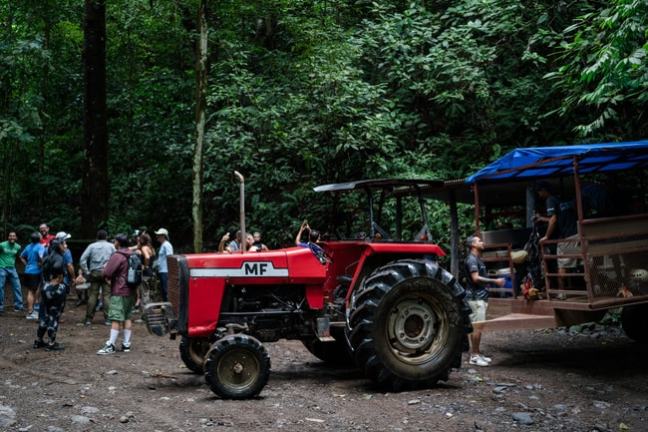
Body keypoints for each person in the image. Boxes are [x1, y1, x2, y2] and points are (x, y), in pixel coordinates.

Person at [464, 235, 505, 367]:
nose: (482, 242)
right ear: (473, 245)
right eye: (479, 241)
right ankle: (474, 356)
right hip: (475, 298)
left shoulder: (476, 259)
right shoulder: (471, 260)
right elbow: (475, 278)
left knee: (479, 327)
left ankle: (477, 352)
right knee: (477, 327)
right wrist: (495, 280)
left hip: (479, 296)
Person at [534, 182, 579, 292]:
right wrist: (542, 218)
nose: (539, 195)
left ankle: (561, 293)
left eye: (539, 192)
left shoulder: (550, 200)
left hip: (566, 237)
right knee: (583, 263)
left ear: (544, 190)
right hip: (578, 233)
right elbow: (557, 218)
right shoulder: (562, 199)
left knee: (562, 265)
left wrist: (546, 236)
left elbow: (553, 220)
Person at [97, 234, 137, 355]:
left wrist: (104, 273)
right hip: (131, 290)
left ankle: (111, 345)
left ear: (118, 242)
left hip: (119, 290)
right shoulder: (132, 254)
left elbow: (107, 272)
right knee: (127, 316)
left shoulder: (118, 255)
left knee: (115, 317)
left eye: (115, 241)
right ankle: (126, 344)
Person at [33, 239, 67, 351]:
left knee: (44, 315)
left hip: (45, 288)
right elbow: (57, 267)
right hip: (55, 289)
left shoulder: (47, 258)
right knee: (54, 315)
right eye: (64, 244)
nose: (66, 246)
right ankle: (51, 343)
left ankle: (38, 340)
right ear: (59, 246)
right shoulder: (59, 258)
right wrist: (58, 278)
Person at [79, 229, 115, 325]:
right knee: (107, 296)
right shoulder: (111, 246)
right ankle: (108, 319)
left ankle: (88, 319)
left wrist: (86, 271)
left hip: (94, 273)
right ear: (106, 237)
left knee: (93, 295)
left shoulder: (92, 246)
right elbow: (115, 259)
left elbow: (82, 259)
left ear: (97, 237)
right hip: (107, 273)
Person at [20, 232, 46, 320]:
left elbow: (21, 256)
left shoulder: (28, 246)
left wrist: (27, 264)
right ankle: (31, 312)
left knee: (32, 291)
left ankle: (33, 310)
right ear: (39, 238)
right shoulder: (40, 246)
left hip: (28, 271)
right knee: (33, 291)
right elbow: (41, 256)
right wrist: (42, 263)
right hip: (36, 272)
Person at [0, 231, 24, 314]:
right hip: (2, 268)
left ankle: (19, 306)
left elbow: (19, 257)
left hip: (12, 268)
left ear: (16, 238)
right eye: (10, 236)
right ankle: (0, 307)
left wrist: (26, 264)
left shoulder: (18, 247)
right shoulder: (2, 245)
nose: (12, 237)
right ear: (8, 237)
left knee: (17, 286)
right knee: (0, 287)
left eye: (14, 236)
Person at [54, 231, 77, 300]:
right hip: (62, 275)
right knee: (61, 292)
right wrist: (73, 277)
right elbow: (69, 265)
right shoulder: (66, 251)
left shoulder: (50, 249)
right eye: (65, 239)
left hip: (52, 275)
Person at [155, 228, 173, 302]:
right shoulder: (163, 245)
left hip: (166, 270)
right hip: (162, 270)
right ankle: (165, 305)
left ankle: (168, 306)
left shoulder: (167, 245)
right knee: (163, 289)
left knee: (166, 289)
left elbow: (170, 257)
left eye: (159, 235)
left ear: (163, 236)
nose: (157, 237)